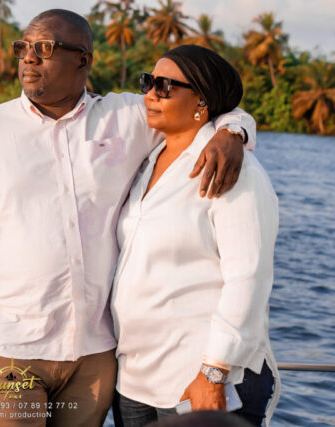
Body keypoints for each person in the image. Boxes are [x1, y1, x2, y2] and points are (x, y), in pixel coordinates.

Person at [0, 10, 256, 426]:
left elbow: (208, 107)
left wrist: (233, 132)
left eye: (44, 48)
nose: (29, 58)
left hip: (94, 356)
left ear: (83, 59)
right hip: (8, 348)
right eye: (23, 47)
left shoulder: (127, 118)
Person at [110, 45, 280, 427]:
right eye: (148, 82)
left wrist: (213, 372)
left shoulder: (234, 170)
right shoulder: (147, 159)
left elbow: (249, 277)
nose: (150, 95)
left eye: (165, 86)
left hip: (201, 380)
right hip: (135, 379)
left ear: (202, 101)